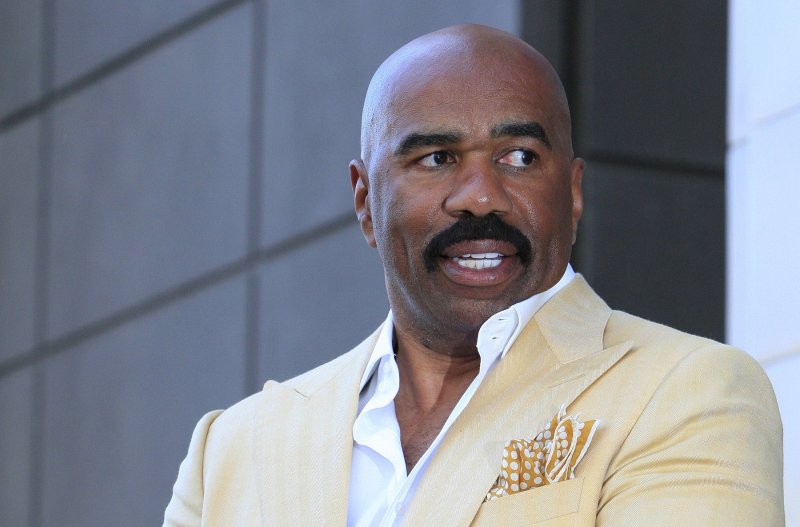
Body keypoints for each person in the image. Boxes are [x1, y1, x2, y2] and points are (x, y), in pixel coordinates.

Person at [163, 24, 784, 526]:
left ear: (571, 193)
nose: (481, 196)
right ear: (365, 201)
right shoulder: (233, 448)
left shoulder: (688, 392)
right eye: (437, 158)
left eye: (519, 157)